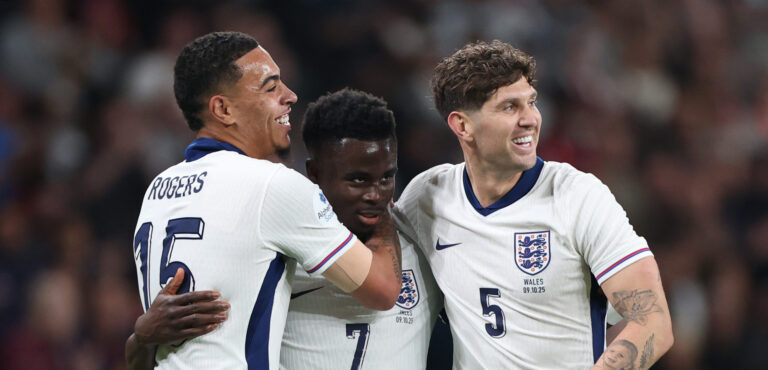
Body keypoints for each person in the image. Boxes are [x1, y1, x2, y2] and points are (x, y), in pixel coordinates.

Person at [391, 40, 674, 369]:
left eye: (531, 102)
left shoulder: (577, 196)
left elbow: (653, 323)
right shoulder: (428, 196)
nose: (531, 119)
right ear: (462, 125)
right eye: (509, 107)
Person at [127, 31, 401, 370]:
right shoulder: (272, 185)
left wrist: (139, 337)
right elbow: (383, 290)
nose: (290, 95)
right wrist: (381, 207)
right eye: (271, 88)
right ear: (223, 109)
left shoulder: (158, 187)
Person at [280, 88, 441, 370]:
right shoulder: (282, 253)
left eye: (386, 178)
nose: (376, 195)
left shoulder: (421, 241)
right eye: (358, 180)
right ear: (314, 173)